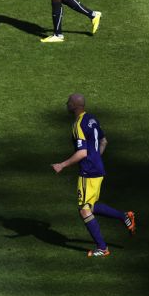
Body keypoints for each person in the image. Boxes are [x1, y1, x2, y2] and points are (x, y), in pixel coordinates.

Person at [51, 94, 136, 257]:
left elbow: (82, 153)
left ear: (75, 106)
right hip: (98, 168)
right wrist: (96, 158)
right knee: (91, 205)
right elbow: (104, 141)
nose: (66, 104)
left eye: (68, 102)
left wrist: (61, 165)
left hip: (88, 172)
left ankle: (102, 248)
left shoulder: (78, 124)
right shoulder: (92, 119)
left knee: (84, 209)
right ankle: (124, 216)